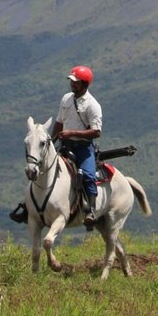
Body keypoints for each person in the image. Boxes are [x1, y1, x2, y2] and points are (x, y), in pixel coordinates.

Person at [51, 64, 102, 226]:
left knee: (87, 175)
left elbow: (96, 132)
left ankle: (91, 211)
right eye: (72, 81)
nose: (72, 84)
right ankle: (29, 207)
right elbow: (59, 122)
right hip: (65, 146)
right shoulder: (66, 98)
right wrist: (52, 142)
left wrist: (72, 133)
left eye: (76, 82)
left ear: (85, 84)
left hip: (83, 148)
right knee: (43, 168)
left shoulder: (92, 105)